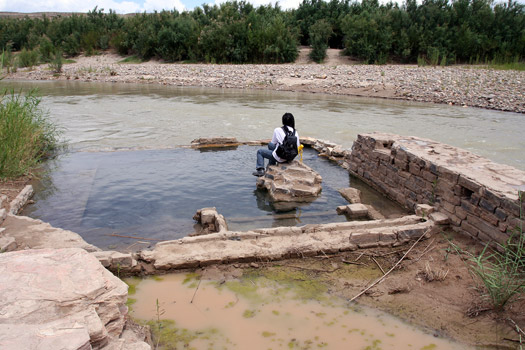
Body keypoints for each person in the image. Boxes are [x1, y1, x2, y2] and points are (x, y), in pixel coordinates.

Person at [253, 112, 300, 177]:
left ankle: (260, 170)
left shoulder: (278, 130)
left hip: (281, 157)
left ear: (283, 121)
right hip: (290, 157)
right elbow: (297, 146)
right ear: (292, 121)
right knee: (270, 145)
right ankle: (271, 164)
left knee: (260, 152)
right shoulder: (295, 132)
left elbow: (273, 142)